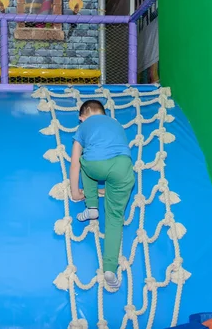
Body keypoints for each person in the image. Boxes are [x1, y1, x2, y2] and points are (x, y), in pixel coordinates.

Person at [69, 99, 135, 290]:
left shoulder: (83, 127)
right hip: (122, 167)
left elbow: (75, 164)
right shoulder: (115, 123)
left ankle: (91, 207)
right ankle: (110, 270)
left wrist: (75, 191)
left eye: (81, 119)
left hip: (95, 165)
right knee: (115, 219)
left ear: (85, 114)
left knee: (84, 161)